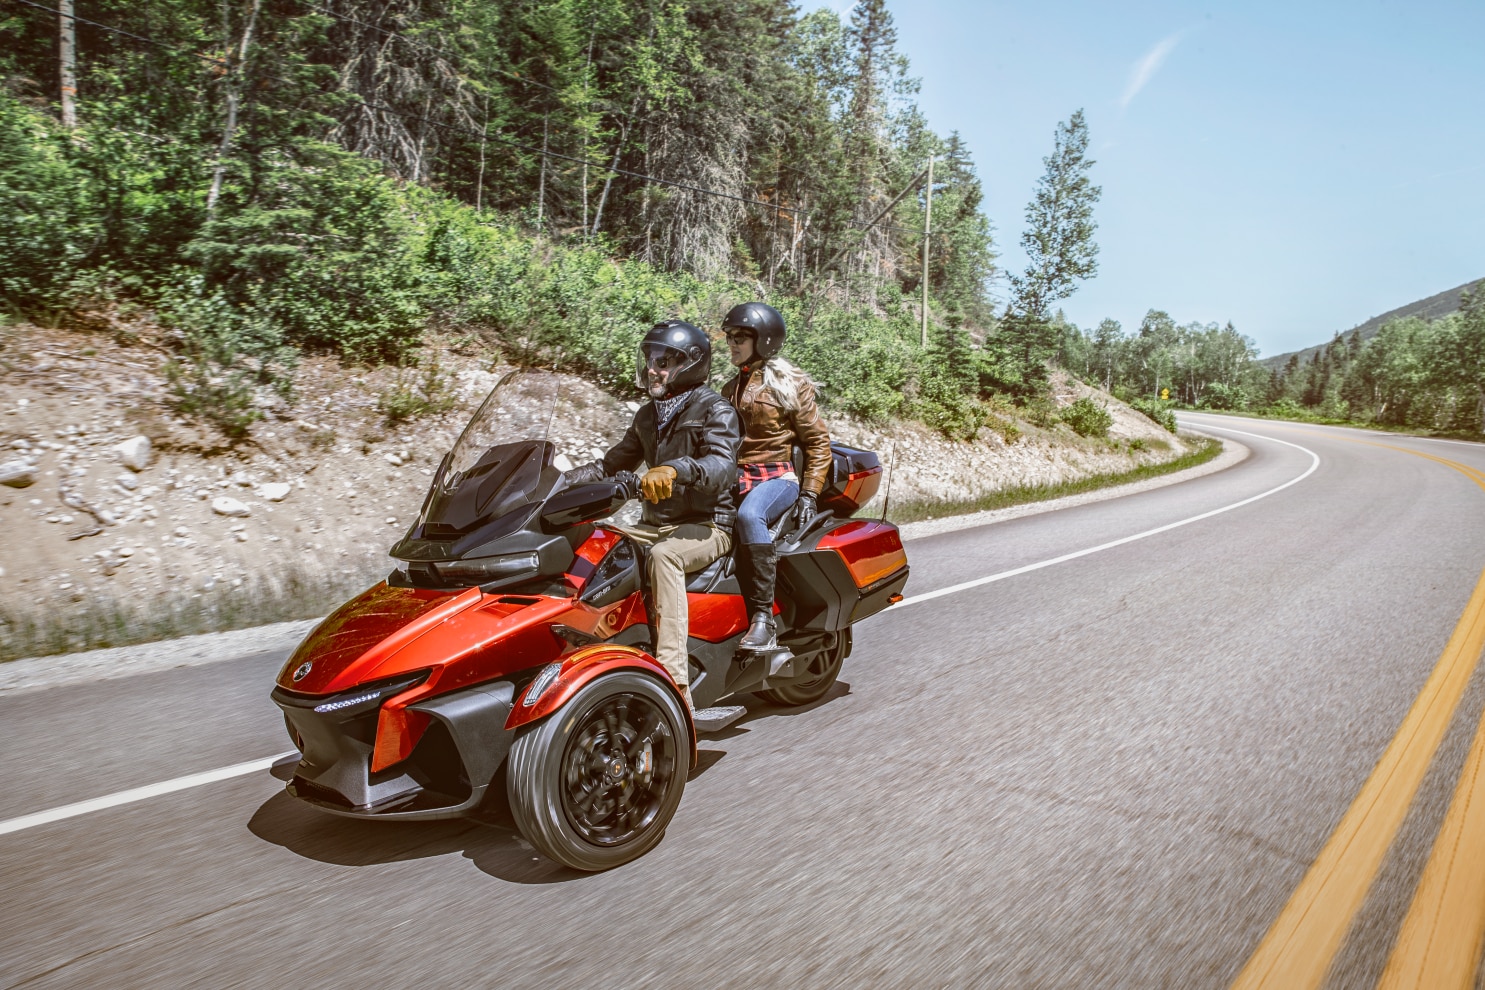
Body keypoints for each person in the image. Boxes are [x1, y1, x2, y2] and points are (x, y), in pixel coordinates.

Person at [563, 320, 741, 712]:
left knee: (665, 556)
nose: (652, 369)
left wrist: (678, 470)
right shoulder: (648, 415)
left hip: (709, 524)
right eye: (650, 360)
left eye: (663, 361)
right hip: (655, 524)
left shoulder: (715, 409)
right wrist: (555, 483)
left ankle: (675, 686)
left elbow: (722, 466)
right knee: (593, 544)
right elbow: (610, 464)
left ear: (690, 364)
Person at [719, 302, 832, 651]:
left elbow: (817, 441)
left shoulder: (790, 383)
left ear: (763, 340)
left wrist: (810, 493)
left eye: (741, 336)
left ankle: (763, 619)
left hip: (777, 479)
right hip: (736, 478)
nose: (733, 343)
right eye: (730, 337)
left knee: (749, 515)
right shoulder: (728, 389)